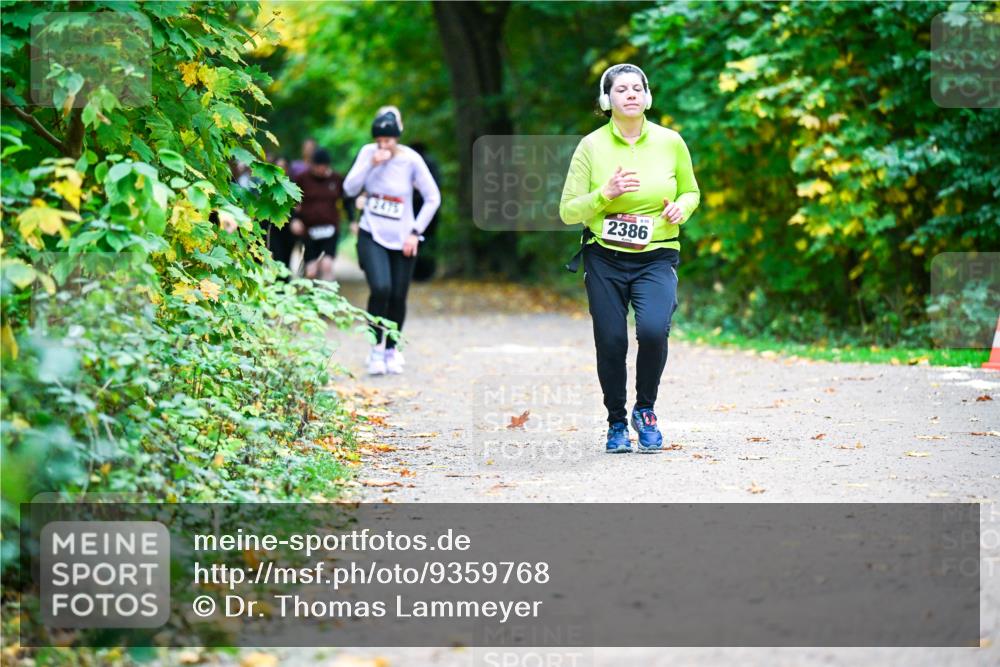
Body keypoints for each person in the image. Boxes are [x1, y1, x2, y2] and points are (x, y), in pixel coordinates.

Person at [559, 63, 700, 453]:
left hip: (657, 255)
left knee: (654, 330)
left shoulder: (671, 142)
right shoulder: (591, 146)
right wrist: (606, 193)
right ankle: (617, 422)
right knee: (611, 340)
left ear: (648, 96)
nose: (632, 95)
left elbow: (691, 192)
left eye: (638, 88)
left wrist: (681, 211)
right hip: (604, 257)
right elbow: (568, 211)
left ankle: (646, 410)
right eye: (622, 90)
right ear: (607, 100)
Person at [344, 107, 441, 375]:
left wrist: (415, 231)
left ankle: (391, 349)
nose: (383, 145)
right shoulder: (367, 154)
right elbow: (349, 189)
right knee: (381, 288)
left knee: (399, 295)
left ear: (397, 138)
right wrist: (370, 163)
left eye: (388, 141)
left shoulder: (411, 160)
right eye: (379, 141)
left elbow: (433, 197)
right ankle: (375, 349)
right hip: (371, 232)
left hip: (403, 238)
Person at [290, 148, 345, 281]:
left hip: (330, 229)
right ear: (312, 165)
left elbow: (346, 200)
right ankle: (309, 297)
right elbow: (293, 202)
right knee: (311, 270)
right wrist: (295, 219)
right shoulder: (301, 179)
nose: (320, 170)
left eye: (323, 166)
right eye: (317, 166)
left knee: (327, 265)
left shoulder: (336, 179)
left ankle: (327, 298)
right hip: (309, 230)